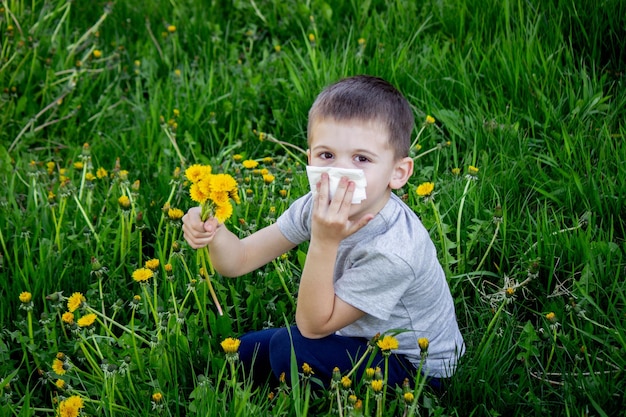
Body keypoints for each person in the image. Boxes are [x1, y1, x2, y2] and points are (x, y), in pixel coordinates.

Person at [182, 75, 464, 390]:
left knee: (288, 349)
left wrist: (325, 241)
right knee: (239, 352)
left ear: (398, 172)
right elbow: (239, 259)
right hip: (355, 333)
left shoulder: (393, 249)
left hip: (413, 367)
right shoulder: (317, 202)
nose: (338, 172)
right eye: (326, 155)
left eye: (361, 158)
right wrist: (213, 230)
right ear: (310, 158)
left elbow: (313, 327)